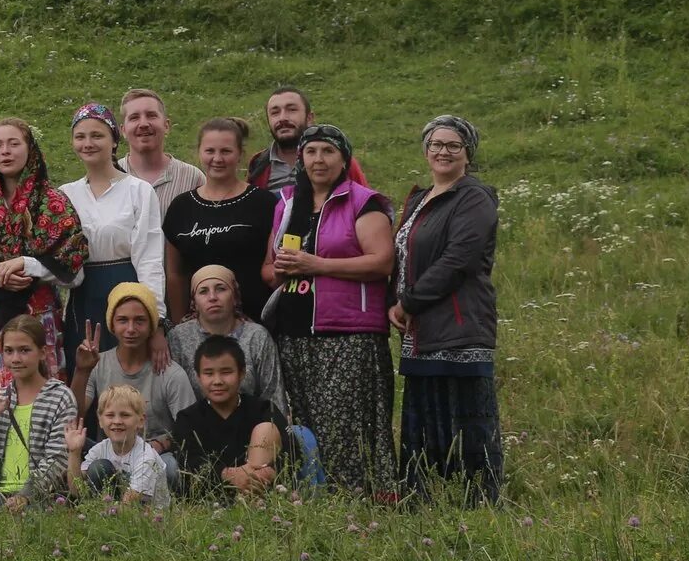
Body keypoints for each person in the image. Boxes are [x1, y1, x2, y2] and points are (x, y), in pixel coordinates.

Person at [262, 123, 396, 497]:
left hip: (349, 331)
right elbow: (268, 268)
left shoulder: (363, 201)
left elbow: (382, 262)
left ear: (343, 159)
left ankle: (360, 495)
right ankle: (314, 494)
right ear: (301, 158)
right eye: (311, 152)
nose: (318, 160)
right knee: (305, 422)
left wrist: (315, 265)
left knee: (347, 422)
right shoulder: (287, 203)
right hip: (294, 330)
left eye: (328, 152)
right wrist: (282, 270)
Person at [391, 115, 502, 505]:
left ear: (467, 153)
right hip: (421, 332)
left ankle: (479, 502)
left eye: (453, 145)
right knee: (425, 416)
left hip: (460, 327)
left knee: (468, 418)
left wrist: (408, 301)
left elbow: (459, 259)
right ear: (425, 150)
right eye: (436, 144)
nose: (443, 151)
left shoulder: (475, 197)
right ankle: (424, 500)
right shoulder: (420, 198)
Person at [0, 119, 87, 401]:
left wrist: (26, 264)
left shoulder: (52, 204)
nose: (5, 151)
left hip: (37, 319)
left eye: (14, 144)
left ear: (30, 149)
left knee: (39, 405)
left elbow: (74, 272)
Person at [58, 103, 167, 343]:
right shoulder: (65, 195)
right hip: (84, 295)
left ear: (114, 140)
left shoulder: (138, 190)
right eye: (80, 137)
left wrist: (155, 318)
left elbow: (149, 259)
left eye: (97, 135)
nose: (88, 143)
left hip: (128, 295)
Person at [163, 117, 281, 323]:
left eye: (226, 151)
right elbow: (175, 274)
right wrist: (178, 325)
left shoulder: (264, 203)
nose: (217, 158)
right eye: (210, 151)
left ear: (240, 155)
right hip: (198, 325)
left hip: (255, 323)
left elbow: (274, 267)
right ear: (199, 152)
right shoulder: (181, 207)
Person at [0, 312, 76, 510]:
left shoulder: (60, 397)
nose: (16, 358)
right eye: (9, 351)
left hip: (40, 499)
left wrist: (25, 495)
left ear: (43, 352)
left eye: (25, 350)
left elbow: (57, 459)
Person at [69, 282, 192, 441]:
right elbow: (72, 417)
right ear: (112, 324)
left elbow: (190, 429)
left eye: (140, 320)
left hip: (157, 458)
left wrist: (161, 445)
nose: (131, 329)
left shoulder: (171, 373)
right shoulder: (97, 364)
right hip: (108, 456)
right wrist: (82, 371)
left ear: (151, 327)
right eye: (122, 320)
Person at [166, 335, 284, 501]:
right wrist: (230, 475)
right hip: (210, 502)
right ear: (198, 377)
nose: (217, 381)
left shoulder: (264, 409)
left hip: (264, 495)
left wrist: (262, 473)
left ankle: (250, 508)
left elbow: (293, 453)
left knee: (267, 429)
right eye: (208, 373)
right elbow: (190, 463)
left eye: (226, 372)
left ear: (242, 373)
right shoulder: (187, 419)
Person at [166, 264, 287, 417]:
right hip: (194, 430)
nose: (212, 297)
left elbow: (274, 397)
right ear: (194, 302)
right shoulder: (178, 337)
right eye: (203, 291)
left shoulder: (257, 336)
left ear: (235, 297)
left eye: (221, 289)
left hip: (252, 428)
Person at [249, 88, 368, 193]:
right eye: (275, 113)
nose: (283, 118)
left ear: (309, 118)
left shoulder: (338, 160)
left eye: (291, 110)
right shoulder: (258, 163)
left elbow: (366, 205)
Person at [69, 385, 170, 507]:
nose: (117, 421)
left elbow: (128, 508)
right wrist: (74, 452)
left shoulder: (146, 457)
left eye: (125, 415)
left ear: (141, 420)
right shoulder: (100, 449)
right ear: (100, 420)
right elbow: (76, 491)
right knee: (99, 467)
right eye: (110, 415)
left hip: (146, 519)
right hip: (114, 511)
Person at [119, 89, 204, 209]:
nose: (143, 124)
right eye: (134, 117)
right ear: (123, 130)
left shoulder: (193, 178)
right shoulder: (108, 179)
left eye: (151, 115)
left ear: (166, 125)